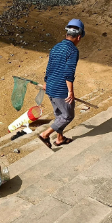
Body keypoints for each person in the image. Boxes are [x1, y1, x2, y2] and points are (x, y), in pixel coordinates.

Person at [37, 19, 85, 148]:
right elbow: (69, 73)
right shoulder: (73, 51)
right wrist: (70, 91)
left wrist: (46, 81)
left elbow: (49, 66)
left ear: (66, 34)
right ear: (79, 37)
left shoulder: (56, 47)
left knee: (59, 115)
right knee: (68, 116)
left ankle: (60, 139)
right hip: (61, 90)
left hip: (50, 87)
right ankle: (45, 135)